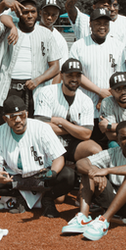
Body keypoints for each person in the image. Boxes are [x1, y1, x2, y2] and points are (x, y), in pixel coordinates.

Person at [68, 120, 126, 240]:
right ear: (118, 140)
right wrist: (93, 172)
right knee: (88, 172)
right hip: (114, 203)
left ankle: (104, 220)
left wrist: (107, 171)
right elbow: (81, 163)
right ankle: (83, 218)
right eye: (124, 138)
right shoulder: (111, 152)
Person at [0, 91, 67, 213]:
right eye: (12, 117)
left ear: (27, 114)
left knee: (68, 176)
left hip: (42, 176)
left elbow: (59, 157)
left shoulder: (42, 128)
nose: (18, 120)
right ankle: (20, 196)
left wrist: (53, 173)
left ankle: (47, 198)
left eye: (22, 115)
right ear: (5, 119)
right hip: (15, 178)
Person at [0, 0, 60, 125]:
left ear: (38, 13)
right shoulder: (7, 30)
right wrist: (2, 5)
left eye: (33, 12)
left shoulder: (46, 34)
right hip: (8, 88)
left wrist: (37, 80)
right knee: (6, 127)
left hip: (34, 90)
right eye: (25, 12)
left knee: (33, 128)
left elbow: (55, 66)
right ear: (18, 14)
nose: (30, 15)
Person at [32, 58, 94, 216]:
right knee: (60, 199)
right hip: (51, 145)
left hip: (72, 145)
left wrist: (61, 122)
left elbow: (86, 134)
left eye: (77, 75)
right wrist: (74, 128)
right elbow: (41, 126)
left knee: (94, 149)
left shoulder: (86, 100)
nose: (74, 79)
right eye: (70, 75)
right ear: (61, 75)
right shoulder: (47, 92)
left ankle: (83, 195)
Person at [71, 7, 126, 126]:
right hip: (85, 104)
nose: (102, 27)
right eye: (98, 23)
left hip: (112, 105)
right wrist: (100, 91)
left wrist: (104, 97)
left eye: (105, 23)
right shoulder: (78, 46)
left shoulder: (119, 46)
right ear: (90, 24)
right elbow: (75, 75)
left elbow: (122, 75)